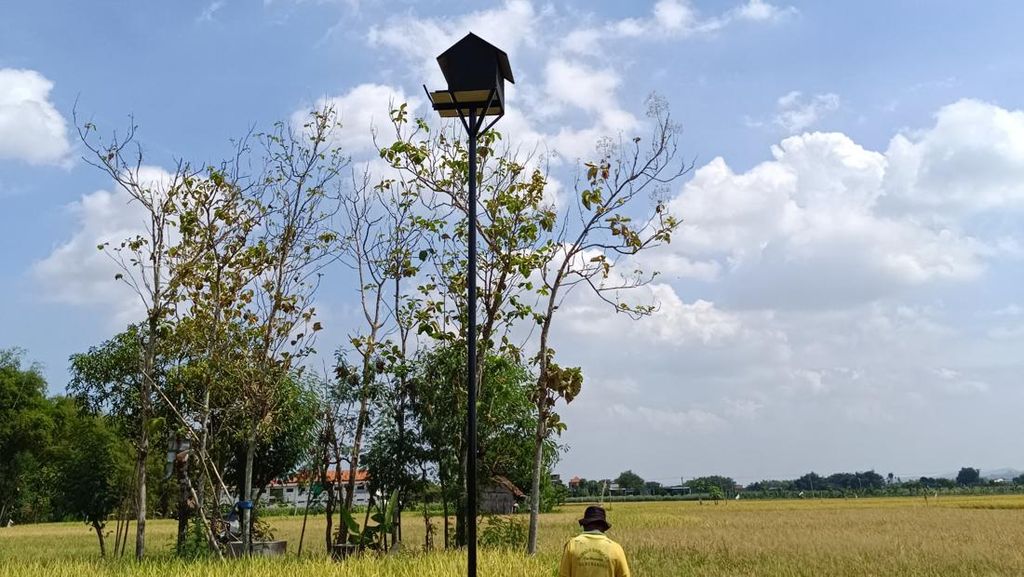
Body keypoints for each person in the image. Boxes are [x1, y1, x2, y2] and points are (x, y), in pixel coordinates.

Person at [559, 505, 631, 577]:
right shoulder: (616, 549)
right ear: (604, 527)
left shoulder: (572, 545)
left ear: (584, 525)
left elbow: (563, 575)